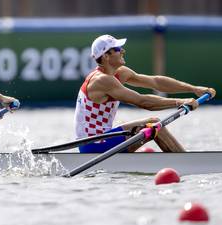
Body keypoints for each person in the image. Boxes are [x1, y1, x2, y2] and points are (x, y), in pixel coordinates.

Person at [74, 34, 216, 153]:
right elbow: (143, 102)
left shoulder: (119, 73)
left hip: (104, 139)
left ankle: (181, 159)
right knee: (153, 124)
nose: (123, 50)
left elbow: (156, 82)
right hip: (93, 146)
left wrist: (193, 88)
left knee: (135, 124)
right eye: (118, 48)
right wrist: (180, 102)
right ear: (106, 56)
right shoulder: (102, 81)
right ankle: (186, 162)